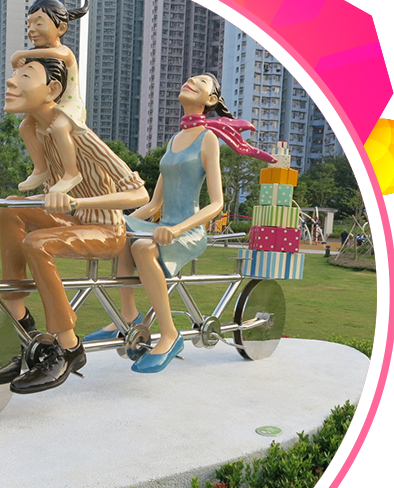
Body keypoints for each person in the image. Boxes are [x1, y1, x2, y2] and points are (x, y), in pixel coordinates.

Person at [0, 56, 148, 395]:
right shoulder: (37, 132)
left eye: (25, 76)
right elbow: (49, 192)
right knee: (11, 209)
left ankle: (68, 347)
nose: (11, 81)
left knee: (37, 243)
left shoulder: (79, 135)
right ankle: (22, 325)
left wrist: (80, 203)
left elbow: (139, 193)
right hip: (73, 221)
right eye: (14, 74)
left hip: (107, 230)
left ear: (52, 89)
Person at [84, 73, 275, 374]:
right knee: (122, 234)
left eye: (202, 82)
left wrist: (175, 229)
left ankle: (170, 335)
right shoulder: (174, 140)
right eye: (191, 78)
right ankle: (128, 315)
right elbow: (154, 204)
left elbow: (217, 203)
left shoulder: (207, 138)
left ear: (211, 99)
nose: (192, 81)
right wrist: (118, 220)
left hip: (188, 232)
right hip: (162, 228)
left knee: (143, 248)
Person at [10, 0, 90, 195]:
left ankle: (71, 173)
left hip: (70, 104)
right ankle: (40, 169)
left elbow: (58, 55)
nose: (32, 30)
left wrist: (22, 54)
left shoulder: (63, 52)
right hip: (51, 103)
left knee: (60, 127)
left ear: (61, 28)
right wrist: (20, 60)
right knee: (25, 126)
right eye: (29, 24)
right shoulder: (36, 54)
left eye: (39, 23)